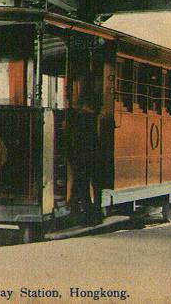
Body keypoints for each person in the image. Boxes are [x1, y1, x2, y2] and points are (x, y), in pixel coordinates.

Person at [67, 72, 103, 226]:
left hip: (82, 153)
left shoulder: (79, 115)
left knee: (80, 184)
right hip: (90, 153)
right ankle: (92, 212)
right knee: (89, 183)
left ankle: (83, 213)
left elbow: (74, 136)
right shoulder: (92, 114)